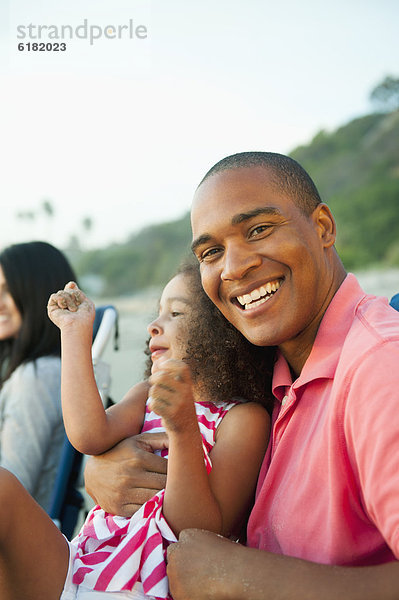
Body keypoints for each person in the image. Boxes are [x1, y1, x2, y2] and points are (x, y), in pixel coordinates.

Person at [85, 152, 399, 599]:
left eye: (259, 230)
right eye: (211, 252)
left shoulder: (379, 368)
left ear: (324, 228)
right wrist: (104, 469)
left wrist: (241, 578)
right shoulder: (267, 371)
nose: (233, 268)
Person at [0, 261, 273, 599]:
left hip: (147, 584)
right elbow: (88, 435)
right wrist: (74, 333)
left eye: (176, 313)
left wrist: (183, 427)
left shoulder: (242, 419)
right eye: (158, 313)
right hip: (82, 564)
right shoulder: (145, 394)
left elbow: (197, 533)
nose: (154, 326)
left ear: (222, 331)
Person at [0, 240, 77, 510]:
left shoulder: (37, 376)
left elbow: (11, 485)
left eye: (8, 291)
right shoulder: (53, 369)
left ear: (35, 292)